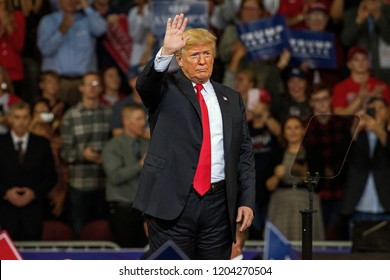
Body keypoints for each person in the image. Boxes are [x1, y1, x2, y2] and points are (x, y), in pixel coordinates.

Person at [133, 13, 255, 260]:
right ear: (180, 59)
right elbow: (145, 85)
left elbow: (243, 152)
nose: (202, 61)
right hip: (172, 203)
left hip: (218, 207)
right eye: (194, 55)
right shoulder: (165, 89)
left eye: (207, 54)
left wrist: (246, 200)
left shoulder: (231, 98)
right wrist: (165, 50)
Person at [60, 72, 112, 237]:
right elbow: (65, 152)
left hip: (104, 181)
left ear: (101, 89)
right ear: (81, 88)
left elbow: (116, 145)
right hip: (79, 183)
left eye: (96, 84)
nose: (92, 88)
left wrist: (105, 156)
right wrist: (83, 154)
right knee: (79, 230)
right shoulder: (70, 116)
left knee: (102, 231)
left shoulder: (109, 113)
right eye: (89, 84)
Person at [0, 101, 57, 240]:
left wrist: (33, 193)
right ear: (10, 119)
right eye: (17, 117)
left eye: (25, 117)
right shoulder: (0, 143)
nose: (21, 122)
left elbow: (51, 176)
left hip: (33, 212)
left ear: (30, 119)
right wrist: (6, 193)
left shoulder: (42, 144)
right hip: (5, 211)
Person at [266, 116, 325, 241]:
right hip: (281, 203)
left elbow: (319, 185)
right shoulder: (276, 152)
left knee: (307, 240)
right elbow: (267, 186)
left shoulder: (313, 152)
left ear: (303, 130)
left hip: (306, 200)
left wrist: (304, 174)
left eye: (296, 127)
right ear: (283, 132)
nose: (293, 131)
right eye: (289, 128)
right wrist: (277, 176)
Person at [37, 0, 107, 105]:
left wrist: (87, 8)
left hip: (84, 82)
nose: (71, 1)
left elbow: (101, 29)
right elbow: (45, 50)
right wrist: (61, 31)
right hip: (58, 83)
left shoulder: (87, 20)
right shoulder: (48, 21)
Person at [339, 96, 390, 236]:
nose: (377, 112)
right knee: (357, 256)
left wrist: (381, 132)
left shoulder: (387, 136)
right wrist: (354, 127)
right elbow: (340, 159)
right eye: (373, 109)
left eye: (381, 108)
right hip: (358, 208)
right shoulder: (356, 137)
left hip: (387, 208)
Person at [102, 103, 148, 248]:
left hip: (146, 211)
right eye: (138, 119)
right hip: (123, 210)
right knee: (127, 253)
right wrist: (140, 165)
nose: (143, 123)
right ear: (127, 121)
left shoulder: (148, 143)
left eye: (143, 118)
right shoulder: (113, 146)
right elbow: (115, 176)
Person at [332, 46, 390, 115]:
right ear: (349, 64)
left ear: (369, 63)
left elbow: (388, 115)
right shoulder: (340, 88)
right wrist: (359, 98)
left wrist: (378, 101)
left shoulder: (381, 86)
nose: (361, 62)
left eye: (364, 59)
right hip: (352, 125)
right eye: (356, 59)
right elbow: (339, 115)